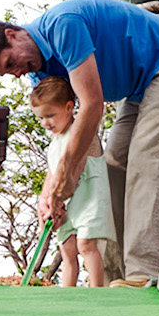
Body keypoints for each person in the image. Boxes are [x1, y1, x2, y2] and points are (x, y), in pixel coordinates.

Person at [0, 0, 159, 287]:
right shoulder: (39, 76)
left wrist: (65, 177)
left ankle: (146, 274)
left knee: (149, 166)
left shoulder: (62, 25)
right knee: (113, 167)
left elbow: (92, 104)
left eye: (11, 62)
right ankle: (117, 277)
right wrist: (51, 196)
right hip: (137, 91)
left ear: (13, 34)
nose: (17, 72)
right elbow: (70, 139)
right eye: (7, 72)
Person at [30, 76, 111, 287]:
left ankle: (97, 292)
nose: (45, 123)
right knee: (67, 249)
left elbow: (75, 169)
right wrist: (47, 200)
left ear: (69, 108)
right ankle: (67, 295)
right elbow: (52, 173)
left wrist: (57, 199)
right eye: (40, 118)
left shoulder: (82, 132)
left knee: (86, 245)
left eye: (50, 115)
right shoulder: (54, 142)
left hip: (89, 198)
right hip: (65, 204)